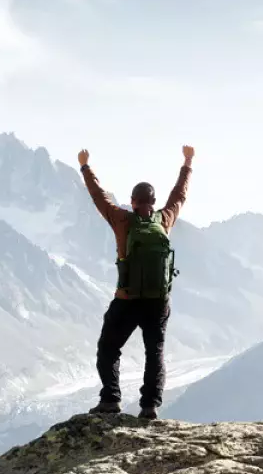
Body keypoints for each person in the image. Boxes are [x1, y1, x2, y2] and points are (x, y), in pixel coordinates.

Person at [77, 146, 193, 420]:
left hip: (127, 299)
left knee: (108, 347)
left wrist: (85, 167)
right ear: (153, 202)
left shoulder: (122, 220)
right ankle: (150, 406)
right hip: (157, 301)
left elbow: (99, 197)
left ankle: (110, 400)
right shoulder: (165, 220)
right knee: (155, 352)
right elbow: (180, 194)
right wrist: (187, 163)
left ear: (132, 201)